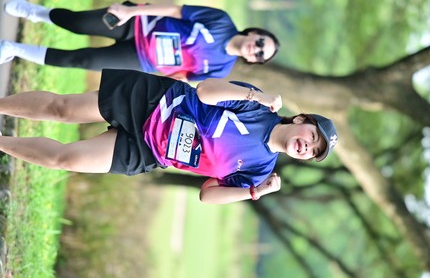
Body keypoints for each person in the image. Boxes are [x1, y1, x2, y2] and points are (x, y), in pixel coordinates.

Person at [0, 69, 338, 204]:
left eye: (313, 151)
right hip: (155, 102)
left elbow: (208, 195)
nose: (307, 146)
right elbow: (205, 91)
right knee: (63, 109)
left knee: (64, 159)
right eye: (312, 136)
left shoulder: (259, 171)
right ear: (300, 119)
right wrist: (256, 96)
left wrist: (255, 192)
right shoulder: (258, 107)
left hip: (150, 151)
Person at [0, 0, 280, 80]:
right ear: (254, 33)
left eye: (259, 55)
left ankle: (14, 49)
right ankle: (35, 12)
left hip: (140, 60)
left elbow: (182, 77)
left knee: (81, 60)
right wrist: (131, 11)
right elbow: (175, 10)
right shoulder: (221, 20)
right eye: (260, 43)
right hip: (138, 25)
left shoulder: (221, 69)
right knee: (76, 23)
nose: (254, 49)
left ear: (253, 61)